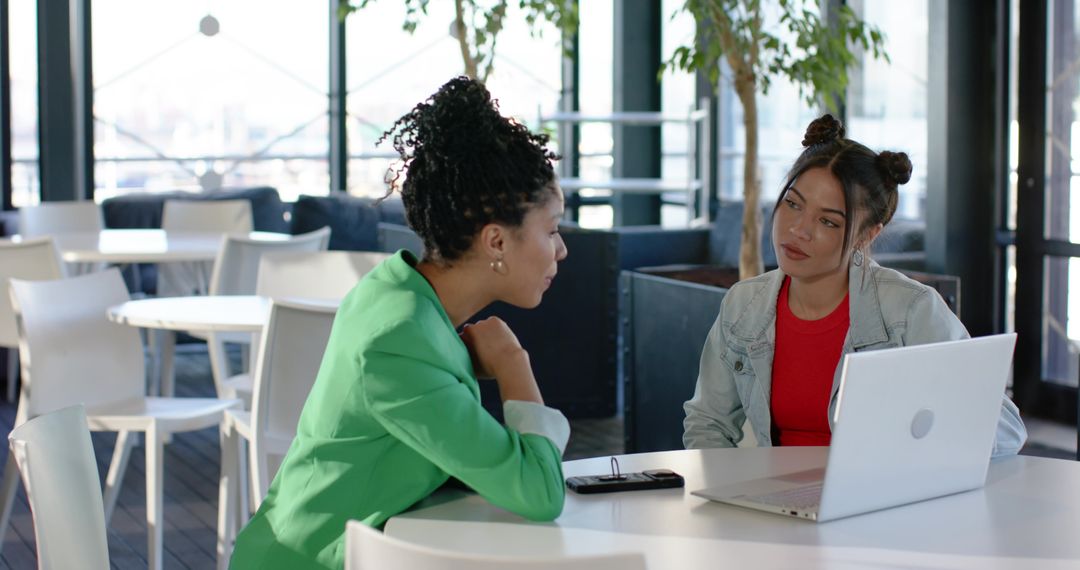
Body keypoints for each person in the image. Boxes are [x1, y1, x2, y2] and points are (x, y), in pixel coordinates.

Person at [230, 76, 570, 569]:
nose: (562, 249)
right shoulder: (401, 340)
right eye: (553, 229)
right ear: (496, 241)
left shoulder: (394, 291)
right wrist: (513, 363)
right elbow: (540, 493)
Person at [683, 114, 1026, 456]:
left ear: (867, 235)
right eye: (792, 203)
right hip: (769, 490)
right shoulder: (744, 303)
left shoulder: (910, 310)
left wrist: (912, 420)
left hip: (876, 488)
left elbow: (1007, 428)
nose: (799, 229)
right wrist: (727, 486)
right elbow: (707, 422)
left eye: (828, 221)